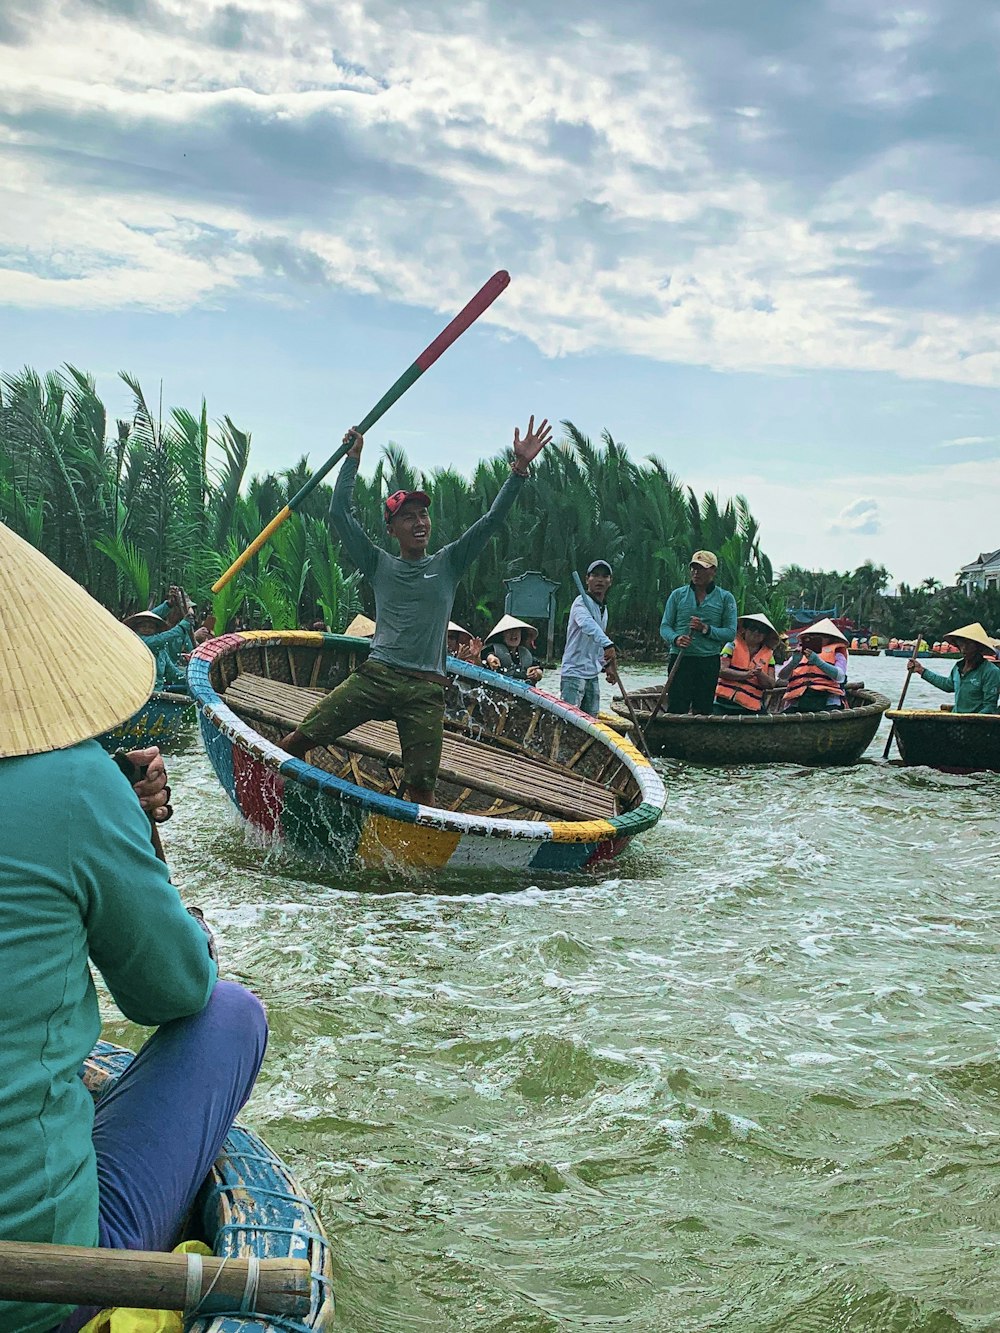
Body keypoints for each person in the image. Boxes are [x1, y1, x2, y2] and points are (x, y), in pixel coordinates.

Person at [0, 522, 268, 1333]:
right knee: (232, 1013)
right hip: (34, 1283)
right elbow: (173, 990)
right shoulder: (73, 783)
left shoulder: (82, 785)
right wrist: (122, 820)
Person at [279, 416, 552, 805]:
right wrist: (352, 461)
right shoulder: (378, 564)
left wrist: (519, 471)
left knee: (423, 785)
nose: (419, 522)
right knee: (302, 737)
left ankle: (413, 854)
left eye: (423, 514)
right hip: (377, 676)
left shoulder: (449, 562)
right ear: (392, 529)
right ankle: (278, 794)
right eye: (408, 517)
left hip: (426, 688)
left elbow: (491, 521)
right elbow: (340, 514)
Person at [659, 551, 738, 715]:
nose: (696, 572)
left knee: (703, 709)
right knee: (677, 707)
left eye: (701, 569)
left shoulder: (725, 598)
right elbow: (665, 626)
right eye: (694, 568)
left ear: (713, 571)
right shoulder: (678, 595)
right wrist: (676, 639)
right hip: (681, 659)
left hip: (708, 661)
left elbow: (730, 633)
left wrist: (705, 629)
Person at [559, 559, 618, 716]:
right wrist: (608, 645)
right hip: (574, 673)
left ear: (610, 581)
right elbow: (588, 626)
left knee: (592, 721)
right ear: (587, 579)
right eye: (595, 575)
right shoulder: (580, 603)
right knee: (569, 721)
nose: (600, 580)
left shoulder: (603, 609)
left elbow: (598, 640)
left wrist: (608, 665)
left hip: (592, 674)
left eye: (605, 576)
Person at [908, 622, 1000, 713]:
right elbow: (947, 685)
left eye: (968, 644)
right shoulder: (958, 667)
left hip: (976, 723)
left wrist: (971, 721)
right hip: (957, 719)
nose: (964, 648)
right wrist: (921, 670)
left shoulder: (991, 672)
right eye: (961, 644)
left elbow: (990, 707)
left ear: (979, 647)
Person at [714, 613, 779, 715]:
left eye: (762, 630)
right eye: (753, 628)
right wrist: (745, 675)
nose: (757, 632)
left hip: (751, 708)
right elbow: (721, 670)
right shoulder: (731, 645)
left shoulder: (769, 655)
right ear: (745, 629)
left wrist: (760, 674)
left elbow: (771, 684)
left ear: (766, 635)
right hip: (723, 703)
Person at [779, 617, 849, 712]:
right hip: (798, 700)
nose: (815, 638)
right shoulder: (799, 653)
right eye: (812, 636)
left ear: (831, 639)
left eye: (820, 636)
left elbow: (840, 676)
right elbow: (782, 676)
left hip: (828, 701)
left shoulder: (837, 654)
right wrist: (793, 662)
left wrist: (818, 661)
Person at [484, 615, 543, 684]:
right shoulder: (492, 650)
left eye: (517, 630)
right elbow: (486, 654)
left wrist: (537, 673)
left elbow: (538, 667)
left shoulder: (525, 654)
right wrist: (490, 658)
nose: (514, 634)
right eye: (509, 631)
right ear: (502, 635)